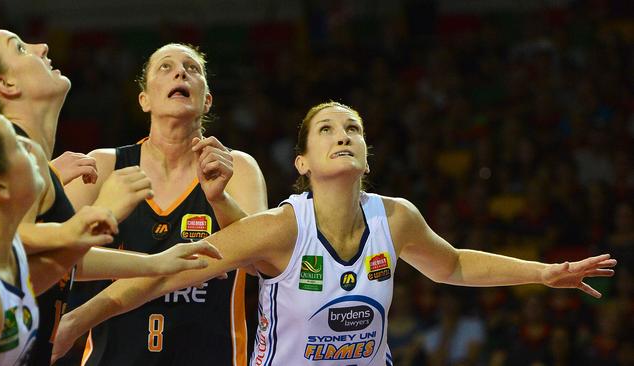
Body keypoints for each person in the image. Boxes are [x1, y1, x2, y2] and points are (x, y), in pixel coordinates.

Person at [53, 101, 617, 365]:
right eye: (327, 128)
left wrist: (543, 273)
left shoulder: (394, 218)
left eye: (353, 128)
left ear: (366, 152)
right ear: (302, 161)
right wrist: (79, 317)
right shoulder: (279, 228)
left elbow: (453, 265)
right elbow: (170, 269)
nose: (342, 134)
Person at [0, 26, 229, 365]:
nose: (41, 46)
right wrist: (97, 216)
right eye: (21, 48)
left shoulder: (35, 156)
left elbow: (57, 263)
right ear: (6, 84)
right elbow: (0, 243)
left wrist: (156, 262)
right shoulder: (9, 148)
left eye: (191, 68)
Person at [61, 43, 267, 365]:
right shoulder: (102, 166)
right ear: (144, 100)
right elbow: (54, 259)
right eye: (165, 67)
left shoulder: (237, 167)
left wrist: (220, 200)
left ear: (207, 100)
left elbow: (260, 263)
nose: (180, 72)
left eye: (192, 68)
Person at [0, 108, 114, 365]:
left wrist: (160, 263)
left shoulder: (15, 261)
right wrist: (108, 210)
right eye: (17, 146)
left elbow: (64, 257)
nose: (32, 150)